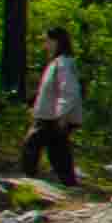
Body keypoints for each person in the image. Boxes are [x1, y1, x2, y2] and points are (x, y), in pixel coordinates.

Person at [25, 28, 86, 189]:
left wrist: (62, 114)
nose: (45, 45)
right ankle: (69, 183)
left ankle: (28, 178)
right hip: (48, 115)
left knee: (32, 144)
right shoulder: (57, 63)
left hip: (54, 117)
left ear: (56, 41)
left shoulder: (63, 64)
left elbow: (69, 91)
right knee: (58, 151)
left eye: (47, 41)